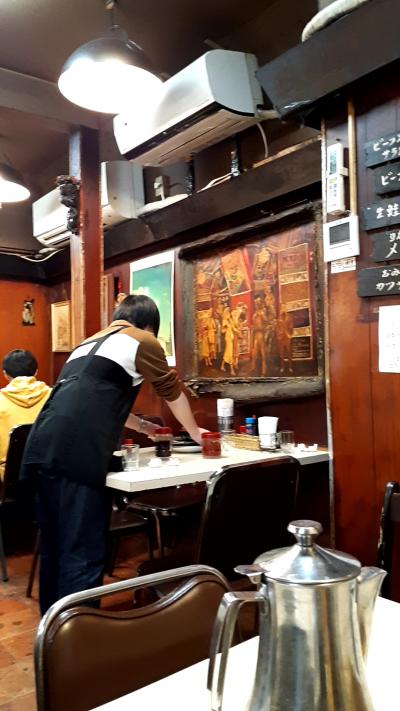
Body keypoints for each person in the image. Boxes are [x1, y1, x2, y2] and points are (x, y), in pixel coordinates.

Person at [21, 295, 206, 615]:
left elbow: (97, 400)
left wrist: (145, 427)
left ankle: (53, 631)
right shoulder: (142, 339)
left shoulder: (87, 345)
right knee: (83, 552)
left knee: (55, 546)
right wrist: (195, 432)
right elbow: (171, 390)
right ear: (150, 325)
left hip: (40, 445)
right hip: (77, 450)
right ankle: (78, 634)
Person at [0, 350, 51, 480]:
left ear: (5, 374)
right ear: (36, 372)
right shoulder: (55, 396)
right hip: (47, 475)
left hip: (7, 478)